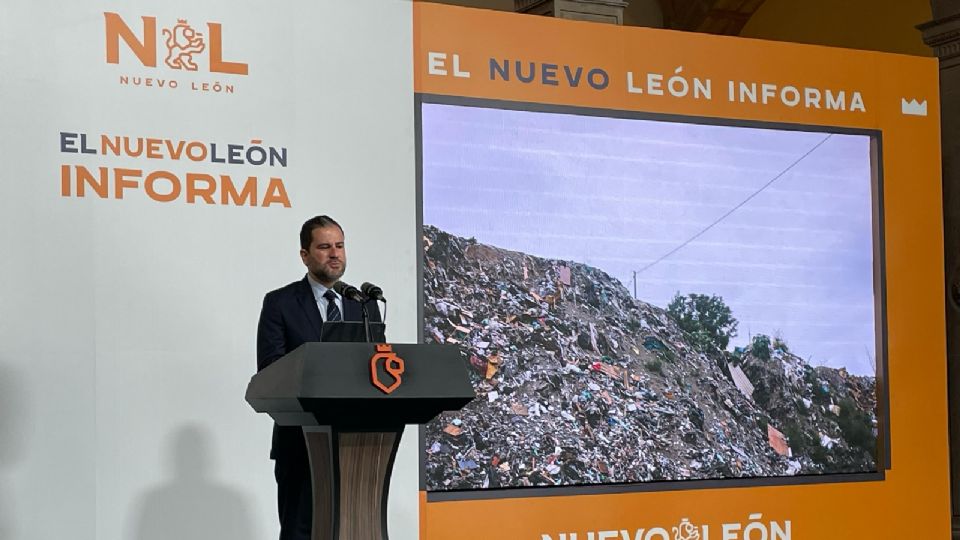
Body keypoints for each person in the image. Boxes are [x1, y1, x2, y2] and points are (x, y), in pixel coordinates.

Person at [256, 215, 382, 540]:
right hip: (300, 441)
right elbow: (271, 369)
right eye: (324, 247)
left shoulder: (363, 306)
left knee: (351, 529)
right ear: (305, 255)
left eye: (339, 246)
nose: (334, 254)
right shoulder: (280, 303)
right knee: (301, 531)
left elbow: (374, 368)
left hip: (355, 443)